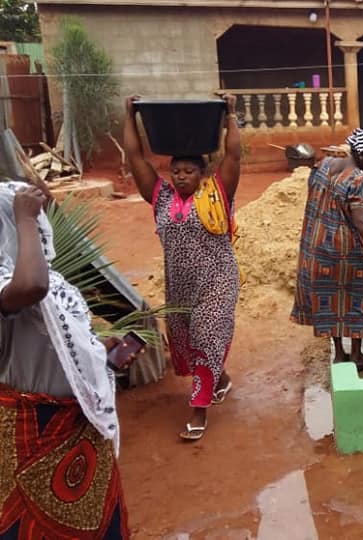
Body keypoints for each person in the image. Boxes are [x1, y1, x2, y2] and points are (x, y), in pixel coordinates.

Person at [0, 181, 135, 538]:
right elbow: (31, 287)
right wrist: (25, 217)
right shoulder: (16, 284)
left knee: (94, 522)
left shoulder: (54, 282)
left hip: (80, 426)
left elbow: (61, 342)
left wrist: (100, 351)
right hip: (34, 432)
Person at [122, 95, 242, 441]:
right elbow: (135, 157)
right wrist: (130, 115)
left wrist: (230, 115)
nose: (181, 176)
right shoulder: (159, 196)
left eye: (188, 171)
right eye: (175, 171)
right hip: (180, 288)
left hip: (218, 279)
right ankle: (220, 380)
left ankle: (199, 410)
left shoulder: (218, 192)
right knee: (188, 344)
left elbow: (233, 154)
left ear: (202, 173)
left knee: (206, 337)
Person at [292, 128, 363, 369]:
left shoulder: (324, 165)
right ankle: (358, 356)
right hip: (347, 251)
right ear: (361, 155)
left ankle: (340, 355)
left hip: (317, 247)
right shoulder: (359, 178)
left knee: (330, 300)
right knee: (354, 299)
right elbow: (359, 220)